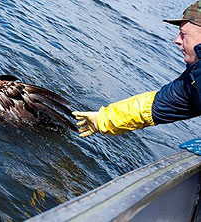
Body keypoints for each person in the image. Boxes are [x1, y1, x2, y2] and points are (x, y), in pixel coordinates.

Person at [72, 1, 201, 154]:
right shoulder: (192, 79)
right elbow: (157, 105)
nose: (176, 40)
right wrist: (103, 119)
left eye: (183, 34)